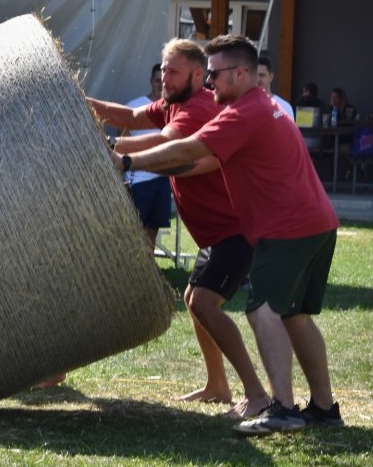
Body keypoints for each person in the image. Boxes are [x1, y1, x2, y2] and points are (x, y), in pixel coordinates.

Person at [113, 34, 342, 436]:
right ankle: (324, 408)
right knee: (295, 315)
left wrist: (127, 159)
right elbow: (194, 158)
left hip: (287, 227)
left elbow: (185, 149)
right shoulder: (260, 105)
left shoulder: (244, 112)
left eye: (214, 74)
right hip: (316, 222)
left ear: (240, 73)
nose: (209, 82)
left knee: (263, 310)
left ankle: (282, 408)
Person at [88, 39, 274, 419]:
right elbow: (131, 117)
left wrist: (108, 149)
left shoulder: (199, 106)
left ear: (195, 73)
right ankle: (218, 386)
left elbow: (166, 143)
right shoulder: (175, 101)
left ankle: (256, 394)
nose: (164, 78)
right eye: (162, 69)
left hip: (234, 229)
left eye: (172, 71)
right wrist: (83, 106)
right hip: (215, 233)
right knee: (195, 300)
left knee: (204, 303)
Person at [123, 63, 172, 247]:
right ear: (151, 81)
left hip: (162, 177)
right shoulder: (135, 107)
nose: (161, 84)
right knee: (135, 228)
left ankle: (148, 270)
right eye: (157, 80)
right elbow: (123, 141)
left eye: (164, 81)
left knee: (153, 228)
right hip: (138, 179)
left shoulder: (173, 109)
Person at [256, 56, 293, 121]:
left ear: (271, 77)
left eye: (261, 75)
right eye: (255, 75)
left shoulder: (284, 107)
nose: (258, 79)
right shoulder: (246, 107)